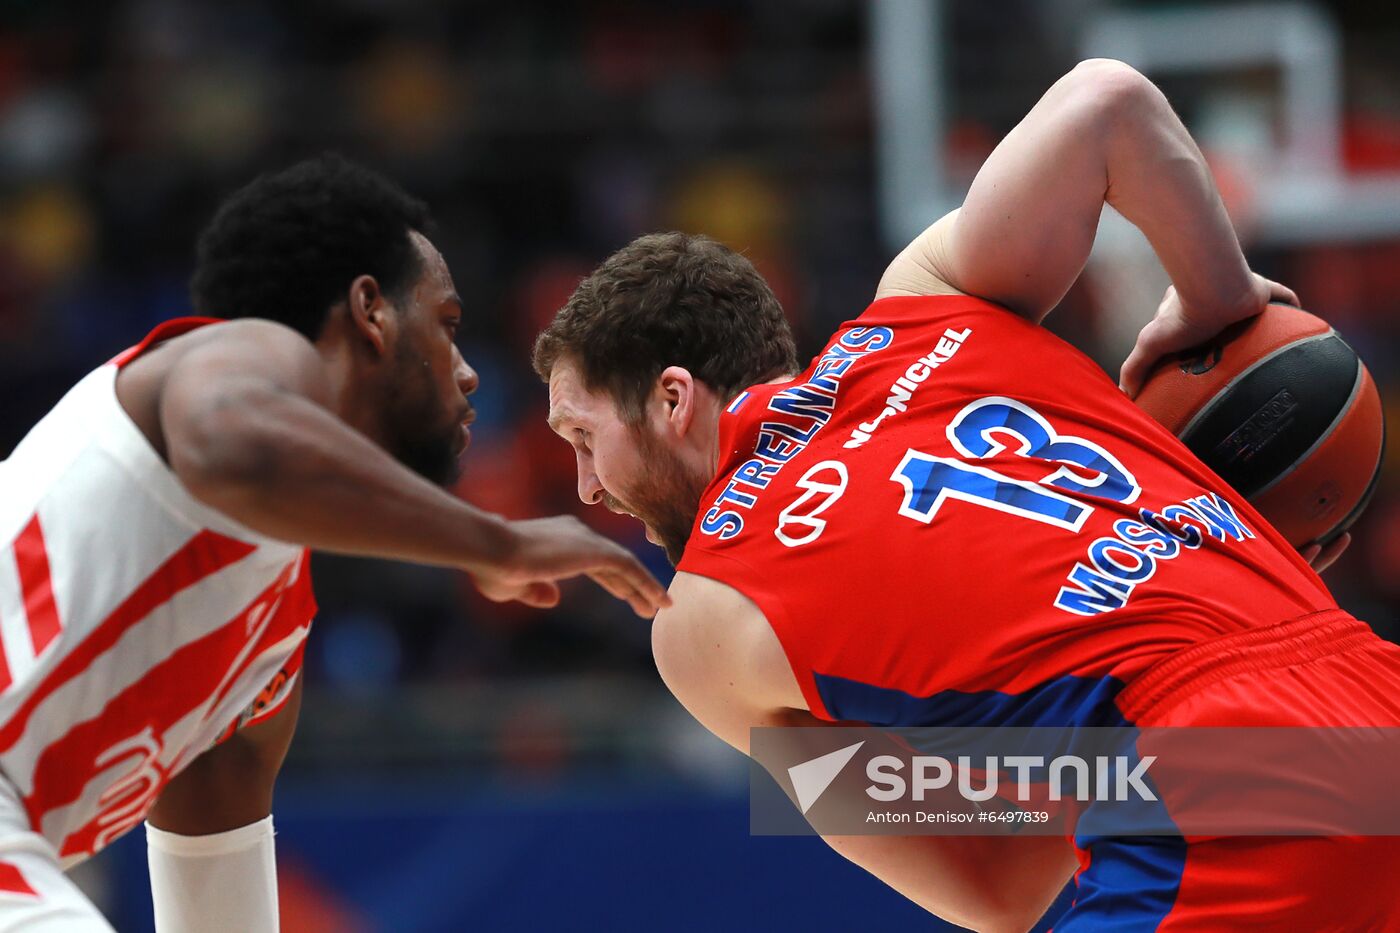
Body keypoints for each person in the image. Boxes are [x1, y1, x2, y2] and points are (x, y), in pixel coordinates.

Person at [534, 59, 1400, 931]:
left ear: (674, 399)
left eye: (583, 437)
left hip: (1202, 792)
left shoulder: (700, 618)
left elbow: (994, 884)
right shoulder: (926, 301)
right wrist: (1218, 301)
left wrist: (1044, 749)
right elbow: (1109, 100)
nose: (587, 484)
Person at [0, 154, 668, 932]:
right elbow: (229, 443)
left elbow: (215, 903)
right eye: (447, 326)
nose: (469, 371)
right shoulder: (246, 353)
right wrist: (497, 544)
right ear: (370, 311)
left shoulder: (268, 629)